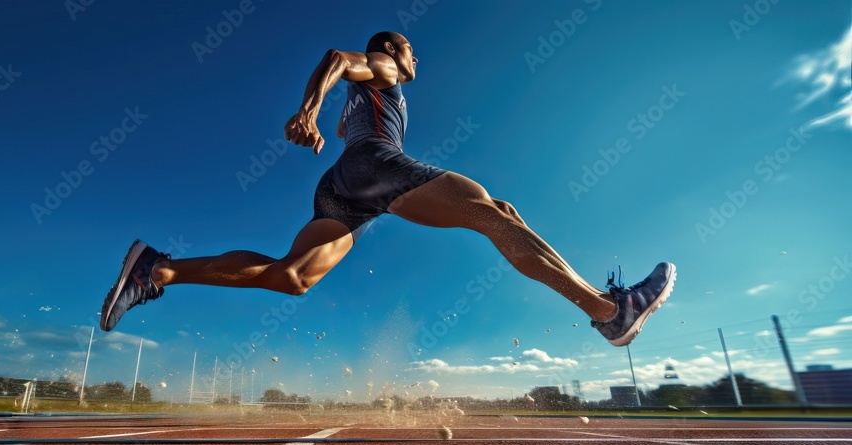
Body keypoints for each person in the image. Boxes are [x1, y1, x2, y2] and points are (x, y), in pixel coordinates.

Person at [99, 31, 675, 347]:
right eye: (410, 50)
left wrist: (325, 120)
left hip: (345, 190)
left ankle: (158, 270)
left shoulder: (367, 102)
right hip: (376, 166)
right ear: (394, 52)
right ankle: (610, 311)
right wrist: (307, 109)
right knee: (492, 213)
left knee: (292, 276)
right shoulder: (385, 67)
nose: (413, 57)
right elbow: (337, 56)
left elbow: (345, 94)